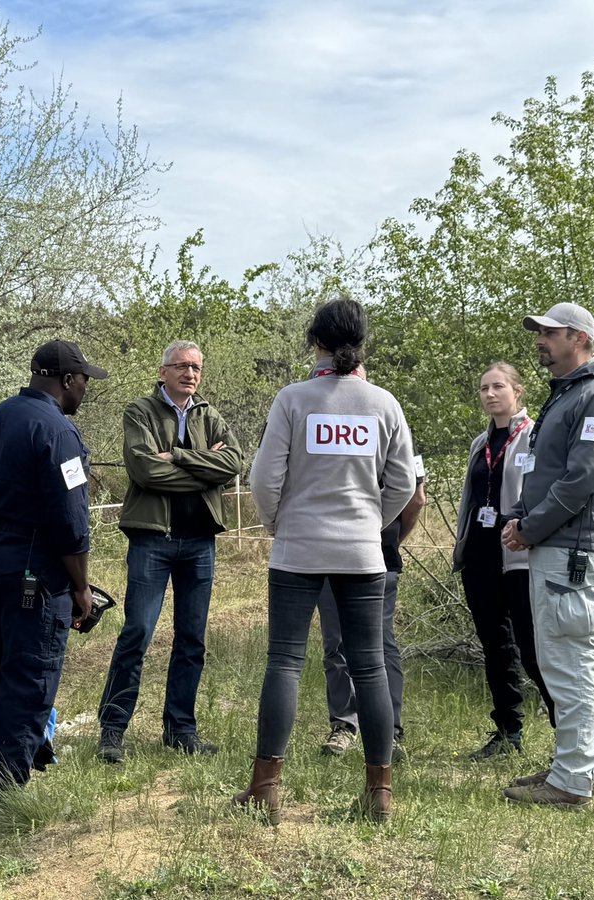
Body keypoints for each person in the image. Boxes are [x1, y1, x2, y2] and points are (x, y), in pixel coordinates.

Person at [236, 296, 415, 824]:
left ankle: (266, 788)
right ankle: (379, 794)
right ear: (362, 344)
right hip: (362, 552)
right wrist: (370, 523)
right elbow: (403, 482)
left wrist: (278, 524)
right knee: (371, 665)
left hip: (298, 547)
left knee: (285, 662)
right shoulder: (384, 404)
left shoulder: (293, 399)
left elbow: (264, 479)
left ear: (313, 340)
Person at [501, 303, 594, 808]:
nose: (539, 340)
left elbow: (584, 478)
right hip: (558, 545)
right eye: (538, 331)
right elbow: (545, 470)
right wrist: (520, 514)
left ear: (578, 337)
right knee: (560, 661)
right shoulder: (571, 395)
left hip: (574, 550)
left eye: (548, 333)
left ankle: (573, 781)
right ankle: (567, 768)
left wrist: (531, 528)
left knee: (573, 663)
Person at [0, 339, 106, 796]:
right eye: (85, 380)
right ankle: (5, 792)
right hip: (36, 569)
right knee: (31, 674)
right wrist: (82, 587)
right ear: (66, 381)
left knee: (3, 666)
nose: (86, 389)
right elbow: (70, 522)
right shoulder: (58, 433)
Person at [97, 340, 242, 763]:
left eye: (196, 367)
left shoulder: (208, 414)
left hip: (200, 542)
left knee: (192, 638)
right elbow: (144, 470)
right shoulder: (139, 411)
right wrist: (203, 470)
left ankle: (181, 730)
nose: (190, 374)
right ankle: (113, 731)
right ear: (163, 372)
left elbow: (233, 462)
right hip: (152, 540)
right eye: (181, 366)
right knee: (137, 633)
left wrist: (177, 456)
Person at [453, 363, 555, 759]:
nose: (490, 394)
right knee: (495, 646)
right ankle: (507, 732)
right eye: (483, 388)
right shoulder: (481, 443)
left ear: (518, 391)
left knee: (532, 648)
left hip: (519, 556)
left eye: (498, 387)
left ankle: (566, 734)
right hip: (480, 556)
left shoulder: (533, 437)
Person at [318, 464, 425, 761]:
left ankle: (377, 729)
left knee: (360, 644)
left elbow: (416, 499)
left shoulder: (391, 423)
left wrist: (384, 536)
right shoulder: (389, 423)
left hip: (373, 557)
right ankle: (360, 728)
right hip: (331, 556)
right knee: (346, 643)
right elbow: (416, 499)